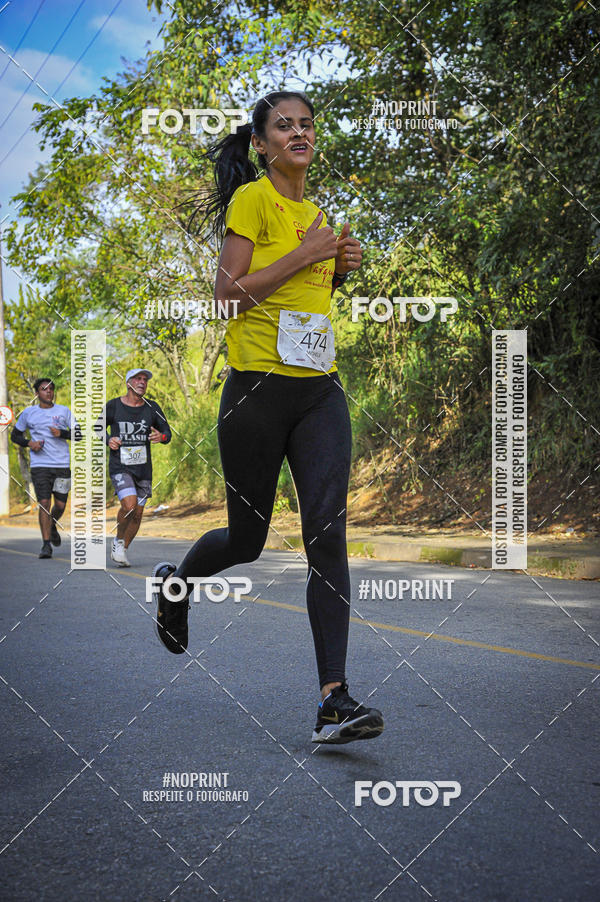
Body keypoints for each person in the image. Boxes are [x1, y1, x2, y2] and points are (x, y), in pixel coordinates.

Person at [152, 90, 384, 745]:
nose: (298, 132)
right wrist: (307, 257)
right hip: (255, 396)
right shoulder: (252, 200)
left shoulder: (320, 214)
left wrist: (335, 270)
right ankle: (176, 588)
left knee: (327, 537)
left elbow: (306, 305)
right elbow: (228, 299)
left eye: (306, 124)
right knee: (246, 541)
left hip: (318, 394)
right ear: (261, 145)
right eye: (284, 126)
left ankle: (333, 700)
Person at [96, 369, 171, 567]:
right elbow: (98, 428)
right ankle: (118, 540)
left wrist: (160, 437)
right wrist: (108, 439)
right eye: (138, 379)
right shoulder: (113, 405)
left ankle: (122, 549)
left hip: (143, 469)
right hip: (120, 466)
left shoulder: (152, 408)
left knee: (138, 513)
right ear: (128, 383)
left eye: (145, 379)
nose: (142, 382)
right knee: (129, 506)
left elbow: (167, 433)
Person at [11, 378, 79, 558]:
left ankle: (53, 522)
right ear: (36, 393)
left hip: (62, 465)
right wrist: (29, 443)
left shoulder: (64, 411)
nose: (48, 392)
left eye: (50, 389)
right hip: (40, 466)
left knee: (60, 504)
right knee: (44, 503)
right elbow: (15, 436)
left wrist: (62, 433)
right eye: (43, 389)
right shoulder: (29, 413)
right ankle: (46, 545)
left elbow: (78, 434)